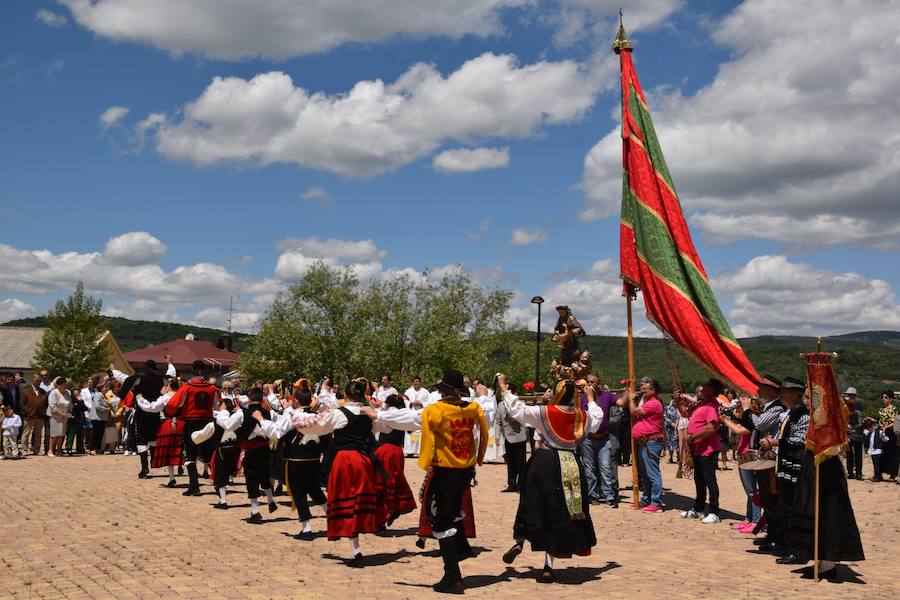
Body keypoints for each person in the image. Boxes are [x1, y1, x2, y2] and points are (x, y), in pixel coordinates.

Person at [499, 378, 603, 583]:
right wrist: (590, 400)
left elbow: (517, 409)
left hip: (544, 462)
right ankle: (548, 566)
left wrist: (504, 388)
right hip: (571, 464)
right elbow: (597, 419)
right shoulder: (582, 415)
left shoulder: (545, 412)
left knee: (531, 502)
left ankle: (519, 540)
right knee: (559, 512)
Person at [293, 379, 389, 565]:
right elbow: (383, 427)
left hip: (346, 461)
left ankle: (355, 550)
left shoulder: (338, 414)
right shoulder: (368, 413)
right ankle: (356, 545)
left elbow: (314, 426)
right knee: (358, 501)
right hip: (365, 461)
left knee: (346, 501)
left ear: (345, 396)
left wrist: (295, 415)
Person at [416, 369, 488, 593]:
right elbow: (484, 434)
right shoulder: (473, 408)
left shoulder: (435, 411)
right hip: (465, 469)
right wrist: (480, 456)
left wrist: (425, 461)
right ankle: (463, 549)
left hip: (445, 470)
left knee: (442, 519)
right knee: (453, 509)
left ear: (444, 391)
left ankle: (452, 576)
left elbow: (423, 433)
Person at [256, 387, 326, 537]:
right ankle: (332, 516)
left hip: (295, 459)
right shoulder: (317, 416)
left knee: (298, 491)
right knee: (314, 489)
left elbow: (276, 432)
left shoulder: (293, 416)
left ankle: (306, 527)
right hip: (314, 458)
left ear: (296, 400)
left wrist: (260, 420)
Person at [758, 377, 809, 563]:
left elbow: (801, 440)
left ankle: (795, 549)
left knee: (792, 508)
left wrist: (775, 442)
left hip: (795, 467)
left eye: (786, 391)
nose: (782, 394)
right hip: (786, 465)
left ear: (796, 394)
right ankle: (786, 545)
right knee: (784, 506)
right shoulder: (791, 412)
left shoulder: (802, 414)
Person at [738, 375, 784, 550]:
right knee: (766, 497)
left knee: (772, 499)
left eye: (762, 388)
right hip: (765, 459)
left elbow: (759, 425)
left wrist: (747, 409)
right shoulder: (769, 407)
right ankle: (771, 534)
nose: (758, 391)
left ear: (771, 390)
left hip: (772, 460)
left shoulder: (776, 407)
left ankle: (776, 536)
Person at [165, 360, 218, 496]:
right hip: (208, 422)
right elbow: (217, 406)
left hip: (191, 423)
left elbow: (173, 404)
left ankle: (194, 486)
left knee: (190, 455)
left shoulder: (187, 387)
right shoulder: (213, 388)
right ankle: (219, 484)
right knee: (210, 453)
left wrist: (171, 413)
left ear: (193, 370)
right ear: (204, 371)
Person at [372, 393, 420, 526]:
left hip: (385, 451)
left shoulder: (387, 415)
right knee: (394, 481)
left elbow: (375, 426)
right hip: (397, 451)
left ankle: (383, 517)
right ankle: (395, 507)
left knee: (382, 484)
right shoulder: (404, 414)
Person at [114, 360, 167, 477]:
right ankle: (154, 461)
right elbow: (164, 394)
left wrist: (123, 396)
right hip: (155, 413)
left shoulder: (138, 378)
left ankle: (144, 468)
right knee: (153, 437)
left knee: (141, 439)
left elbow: (126, 383)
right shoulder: (160, 380)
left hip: (142, 412)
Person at [681, 379, 724, 524]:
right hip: (698, 448)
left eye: (706, 387)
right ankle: (698, 508)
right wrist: (678, 402)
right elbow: (685, 414)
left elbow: (711, 428)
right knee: (699, 480)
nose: (702, 389)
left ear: (712, 390)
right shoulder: (702, 403)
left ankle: (714, 511)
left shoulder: (712, 405)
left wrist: (692, 437)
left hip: (708, 448)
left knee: (709, 480)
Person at [236, 387, 278, 523]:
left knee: (251, 478)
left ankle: (255, 511)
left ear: (249, 398)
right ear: (262, 399)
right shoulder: (270, 413)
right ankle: (270, 499)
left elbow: (229, 425)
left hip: (250, 451)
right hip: (265, 450)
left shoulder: (243, 413)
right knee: (264, 475)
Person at [580, 375, 621, 508]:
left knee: (606, 467)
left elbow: (621, 402)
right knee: (589, 468)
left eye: (592, 382)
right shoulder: (581, 398)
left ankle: (609, 495)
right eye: (588, 382)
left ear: (599, 384)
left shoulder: (607, 396)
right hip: (588, 438)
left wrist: (628, 393)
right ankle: (592, 495)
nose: (589, 384)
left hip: (604, 438)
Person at [721, 396, 760, 532]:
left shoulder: (755, 420)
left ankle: (755, 521)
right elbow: (738, 424)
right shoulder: (748, 419)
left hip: (749, 456)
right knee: (748, 491)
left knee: (752, 491)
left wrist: (725, 420)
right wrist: (730, 415)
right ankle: (748, 519)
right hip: (743, 456)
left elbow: (738, 430)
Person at [629, 379, 665, 512]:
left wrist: (631, 399)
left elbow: (634, 412)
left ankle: (656, 502)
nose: (642, 390)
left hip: (651, 442)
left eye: (645, 389)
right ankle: (647, 499)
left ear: (653, 390)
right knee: (645, 473)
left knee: (652, 473)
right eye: (642, 388)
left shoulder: (654, 404)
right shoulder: (648, 402)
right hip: (645, 442)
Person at [494, 374, 526, 492]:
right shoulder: (500, 405)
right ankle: (511, 484)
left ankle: (521, 485)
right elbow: (498, 422)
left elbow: (518, 418)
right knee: (510, 462)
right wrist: (497, 437)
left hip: (519, 437)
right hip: (508, 438)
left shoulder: (519, 404)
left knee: (521, 463)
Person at [150, 378, 184, 487]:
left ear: (169, 386)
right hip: (182, 423)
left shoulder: (165, 397)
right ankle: (189, 474)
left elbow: (152, 407)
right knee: (183, 449)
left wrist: (141, 401)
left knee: (169, 451)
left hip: (169, 424)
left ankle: (172, 478)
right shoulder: (183, 395)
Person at [20, 374, 47, 456]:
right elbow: (22, 404)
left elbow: (45, 404)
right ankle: (24, 449)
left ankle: (37, 450)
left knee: (39, 435)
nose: (39, 382)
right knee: (26, 434)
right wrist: (27, 412)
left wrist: (43, 412)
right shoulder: (26, 390)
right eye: (37, 381)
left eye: (40, 381)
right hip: (29, 416)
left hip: (40, 416)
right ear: (33, 381)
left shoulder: (43, 392)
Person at [46, 377, 71, 457]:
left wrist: (68, 413)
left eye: (65, 385)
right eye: (63, 385)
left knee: (61, 434)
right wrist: (62, 414)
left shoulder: (68, 392)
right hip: (55, 416)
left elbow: (70, 404)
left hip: (64, 416)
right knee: (54, 434)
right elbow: (52, 406)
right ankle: (50, 450)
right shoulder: (54, 393)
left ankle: (59, 450)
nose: (65, 386)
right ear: (58, 385)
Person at [877, 390, 897, 481]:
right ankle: (879, 472)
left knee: (891, 453)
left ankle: (892, 474)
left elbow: (894, 422)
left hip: (890, 433)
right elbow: (878, 421)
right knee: (881, 452)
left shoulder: (894, 409)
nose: (883, 399)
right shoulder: (881, 410)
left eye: (886, 397)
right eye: (883, 397)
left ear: (891, 399)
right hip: (881, 432)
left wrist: (886, 427)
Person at [844, 390, 865, 480]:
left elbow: (860, 422)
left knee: (857, 455)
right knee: (850, 455)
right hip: (852, 435)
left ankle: (857, 473)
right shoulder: (845, 408)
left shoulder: (857, 408)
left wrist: (851, 429)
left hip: (855, 435)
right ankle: (852, 473)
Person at [65, 383, 86, 455]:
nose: (77, 392)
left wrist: (80, 401)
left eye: (78, 390)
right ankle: (68, 448)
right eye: (75, 390)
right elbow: (75, 408)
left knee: (80, 435)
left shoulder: (80, 399)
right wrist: (79, 402)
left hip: (80, 419)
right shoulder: (72, 400)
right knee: (71, 435)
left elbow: (84, 408)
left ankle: (80, 449)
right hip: (73, 420)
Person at [863, 417, 886, 482]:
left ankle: (877, 477)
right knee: (875, 464)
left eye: (869, 428)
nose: (868, 429)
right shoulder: (869, 433)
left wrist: (883, 436)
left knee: (877, 465)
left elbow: (886, 439)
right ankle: (879, 476)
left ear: (873, 426)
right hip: (872, 451)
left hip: (878, 451)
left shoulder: (879, 431)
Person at [664, 395, 679, 464]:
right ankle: (671, 458)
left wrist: (677, 424)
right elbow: (665, 416)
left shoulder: (680, 407)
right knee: (670, 443)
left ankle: (679, 458)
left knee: (678, 443)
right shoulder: (667, 407)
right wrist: (671, 424)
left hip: (679, 428)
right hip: (670, 428)